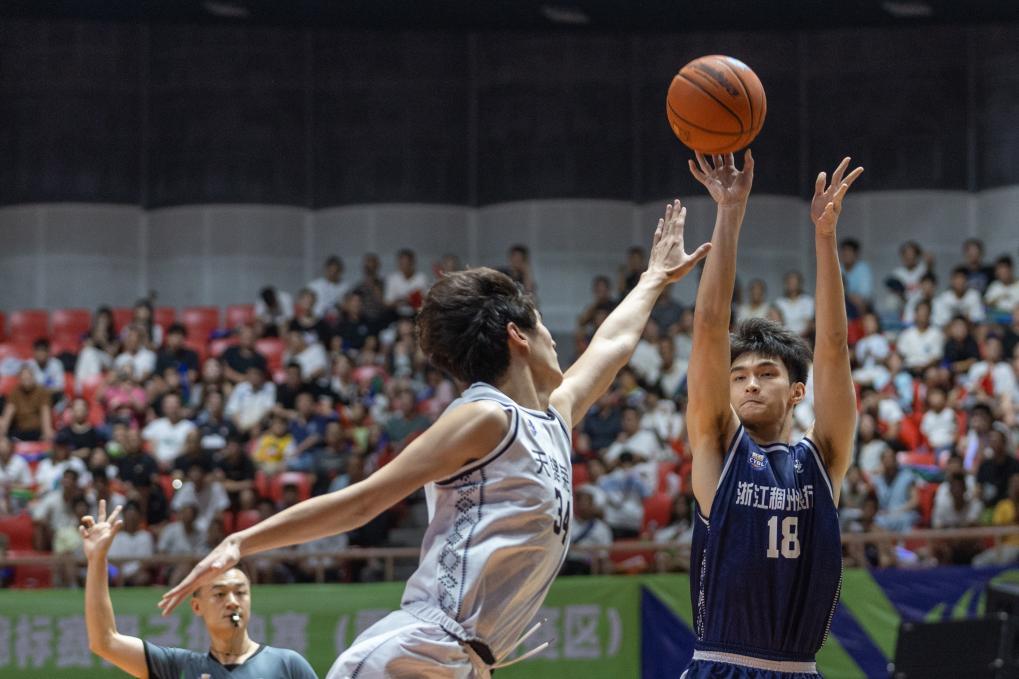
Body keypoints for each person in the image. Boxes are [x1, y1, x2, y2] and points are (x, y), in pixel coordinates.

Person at [158, 200, 710, 678]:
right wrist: (240, 543)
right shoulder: (484, 416)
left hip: (468, 662)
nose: (555, 339)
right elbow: (365, 500)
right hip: (416, 650)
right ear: (517, 336)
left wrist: (654, 279)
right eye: (542, 325)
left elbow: (610, 347)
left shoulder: (551, 419)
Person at [684, 151, 861, 677]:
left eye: (766, 373)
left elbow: (833, 348)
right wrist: (729, 212)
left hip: (800, 668)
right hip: (722, 665)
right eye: (739, 376)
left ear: (798, 391)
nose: (751, 384)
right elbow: (709, 327)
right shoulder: (720, 446)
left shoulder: (822, 457)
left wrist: (825, 238)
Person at [80, 500, 317, 678]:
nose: (232, 601)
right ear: (197, 606)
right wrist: (97, 560)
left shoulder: (288, 665)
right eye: (219, 594)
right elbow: (105, 641)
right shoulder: (179, 667)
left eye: (240, 592)